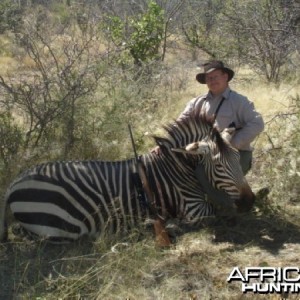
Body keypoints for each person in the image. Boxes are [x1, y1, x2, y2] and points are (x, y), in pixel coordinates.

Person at [152, 60, 264, 215]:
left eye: (215, 76)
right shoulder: (197, 102)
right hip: (206, 156)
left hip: (236, 155)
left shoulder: (239, 101)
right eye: (208, 78)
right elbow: (180, 124)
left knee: (201, 173)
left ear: (225, 77)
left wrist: (233, 144)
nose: (212, 81)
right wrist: (164, 144)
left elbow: (257, 123)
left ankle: (226, 210)